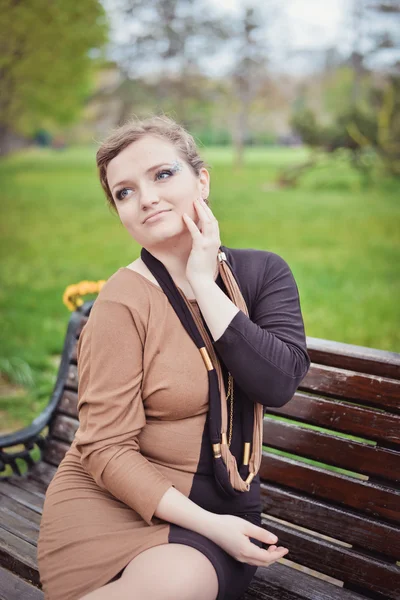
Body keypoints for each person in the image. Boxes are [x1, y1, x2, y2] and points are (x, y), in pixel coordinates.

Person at [37, 114, 311, 600]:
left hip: (224, 513)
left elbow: (277, 383)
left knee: (182, 580)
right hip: (108, 508)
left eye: (162, 174)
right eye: (124, 192)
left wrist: (204, 284)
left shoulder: (263, 273)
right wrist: (212, 526)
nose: (146, 198)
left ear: (201, 180)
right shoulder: (121, 303)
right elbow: (104, 448)